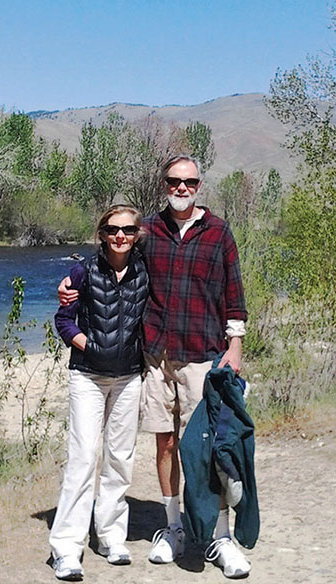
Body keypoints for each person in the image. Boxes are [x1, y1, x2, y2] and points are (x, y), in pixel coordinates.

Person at [59, 155, 250, 579]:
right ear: (164, 184)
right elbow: (108, 250)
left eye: (189, 182)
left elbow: (234, 293)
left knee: (204, 449)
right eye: (173, 181)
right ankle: (173, 527)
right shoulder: (150, 230)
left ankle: (220, 537)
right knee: (164, 445)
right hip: (156, 357)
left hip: (204, 354)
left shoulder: (218, 233)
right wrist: (72, 278)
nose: (181, 188)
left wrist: (234, 345)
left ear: (200, 185)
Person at [50, 204, 149, 582]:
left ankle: (110, 535)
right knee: (83, 457)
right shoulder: (83, 271)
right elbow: (62, 319)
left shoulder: (145, 270)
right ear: (102, 234)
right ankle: (66, 548)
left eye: (127, 230)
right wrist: (86, 346)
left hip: (129, 377)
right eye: (112, 230)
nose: (119, 236)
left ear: (137, 233)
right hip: (88, 377)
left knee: (120, 458)